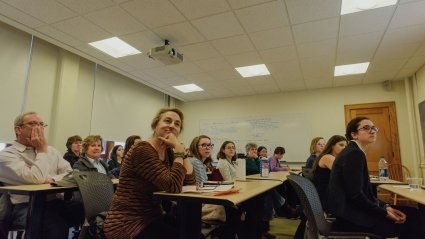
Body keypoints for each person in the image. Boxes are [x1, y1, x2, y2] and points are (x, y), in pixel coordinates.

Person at [103, 107, 195, 239]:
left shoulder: (168, 151)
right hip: (127, 223)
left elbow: (190, 182)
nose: (172, 126)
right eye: (167, 121)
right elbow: (173, 187)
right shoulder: (143, 149)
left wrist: (182, 153)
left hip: (152, 217)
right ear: (155, 124)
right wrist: (179, 151)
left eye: (177, 124)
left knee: (191, 232)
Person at [327, 116, 425, 238]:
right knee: (414, 217)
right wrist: (384, 213)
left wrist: (386, 206)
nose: (372, 131)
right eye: (366, 128)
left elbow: (364, 194)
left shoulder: (353, 151)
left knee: (413, 214)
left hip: (349, 213)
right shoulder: (354, 153)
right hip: (351, 218)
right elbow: (356, 195)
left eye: (374, 128)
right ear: (354, 134)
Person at [0, 112, 84, 239]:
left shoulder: (52, 151)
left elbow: (71, 173)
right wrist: (42, 150)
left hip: (55, 201)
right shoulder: (6, 155)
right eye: (33, 124)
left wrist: (51, 180)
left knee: (92, 212)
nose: (39, 128)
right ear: (18, 129)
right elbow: (37, 178)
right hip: (26, 206)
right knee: (55, 226)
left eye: (41, 124)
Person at [189, 136, 241, 239]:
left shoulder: (200, 163)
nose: (208, 148)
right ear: (195, 147)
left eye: (210, 145)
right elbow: (202, 189)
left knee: (234, 209)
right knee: (233, 211)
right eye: (203, 145)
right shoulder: (196, 162)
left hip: (198, 200)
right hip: (196, 204)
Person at [245, 142, 284, 239]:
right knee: (268, 197)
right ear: (247, 151)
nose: (254, 151)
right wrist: (258, 161)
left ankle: (264, 229)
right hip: (250, 188)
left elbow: (264, 169)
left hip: (257, 186)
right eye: (252, 149)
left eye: (255, 149)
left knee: (268, 196)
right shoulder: (245, 160)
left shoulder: (256, 159)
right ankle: (282, 205)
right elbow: (257, 169)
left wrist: (257, 159)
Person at [311, 135, 347, 205]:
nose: (344, 148)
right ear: (332, 146)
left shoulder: (332, 157)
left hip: (327, 194)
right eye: (341, 145)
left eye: (346, 146)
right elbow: (345, 174)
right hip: (326, 196)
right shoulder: (328, 157)